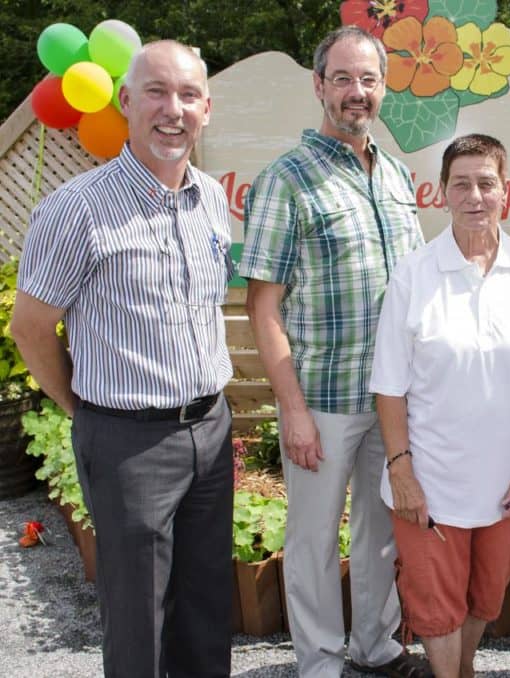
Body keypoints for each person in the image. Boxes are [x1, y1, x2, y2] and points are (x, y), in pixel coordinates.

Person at [11, 41, 234, 677]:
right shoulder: (75, 209)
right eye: (157, 93)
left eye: (188, 95)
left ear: (207, 109)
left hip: (210, 432)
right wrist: (85, 409)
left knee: (205, 606)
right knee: (139, 619)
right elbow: (31, 330)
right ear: (126, 101)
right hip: (127, 441)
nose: (174, 109)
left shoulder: (211, 199)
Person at [239, 26, 428, 678]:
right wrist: (290, 409)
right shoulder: (285, 181)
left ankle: (374, 648)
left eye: (368, 79)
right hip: (321, 396)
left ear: (383, 88)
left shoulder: (398, 174)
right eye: (342, 78)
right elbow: (262, 308)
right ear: (318, 86)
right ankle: (319, 663)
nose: (356, 92)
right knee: (314, 540)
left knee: (380, 531)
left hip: (392, 399)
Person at [370, 133, 510, 678]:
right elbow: (389, 385)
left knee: (485, 597)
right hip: (431, 481)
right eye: (460, 183)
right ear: (441, 193)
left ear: (505, 192)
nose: (474, 196)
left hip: (507, 483)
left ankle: (461, 670)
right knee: (436, 605)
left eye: (485, 183)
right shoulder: (413, 275)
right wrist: (401, 469)